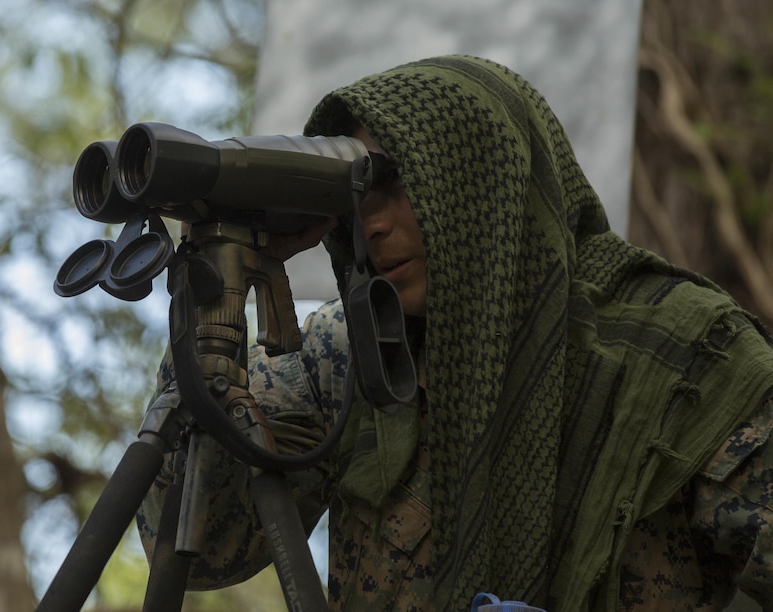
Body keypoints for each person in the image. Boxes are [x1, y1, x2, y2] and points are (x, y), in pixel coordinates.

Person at [135, 55, 773, 611]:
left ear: (480, 179)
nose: (372, 225)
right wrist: (213, 293)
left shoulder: (685, 354)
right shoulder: (350, 354)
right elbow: (208, 544)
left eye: (395, 184)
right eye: (358, 198)